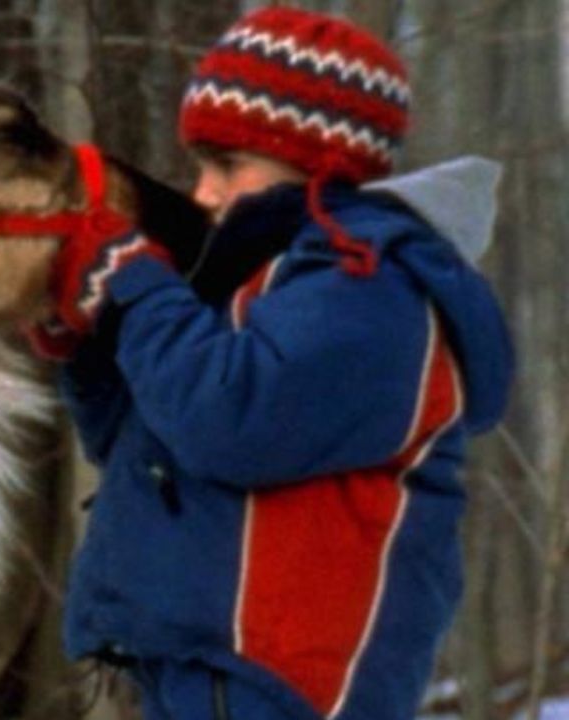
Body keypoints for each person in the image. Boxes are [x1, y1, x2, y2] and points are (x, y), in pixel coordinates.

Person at [30, 7, 515, 719]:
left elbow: (232, 421)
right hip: (199, 668)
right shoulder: (272, 280)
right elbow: (142, 443)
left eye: (227, 165)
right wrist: (91, 341)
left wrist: (135, 286)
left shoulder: (376, 288)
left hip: (281, 685)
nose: (204, 192)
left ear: (319, 166)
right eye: (200, 166)